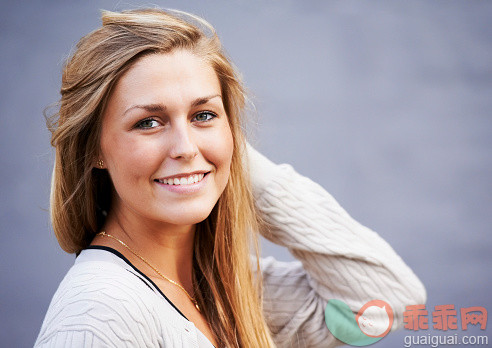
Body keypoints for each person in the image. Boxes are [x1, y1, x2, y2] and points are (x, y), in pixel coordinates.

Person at [35, 8, 426, 348]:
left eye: (203, 115)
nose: (185, 147)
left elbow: (390, 303)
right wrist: (207, 156)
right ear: (94, 150)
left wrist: (225, 160)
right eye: (148, 122)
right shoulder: (97, 310)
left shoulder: (227, 287)